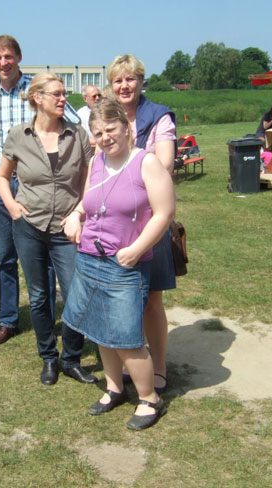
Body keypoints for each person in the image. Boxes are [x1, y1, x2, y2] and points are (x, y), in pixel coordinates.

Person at [63, 99, 175, 430]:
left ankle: (150, 399)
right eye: (98, 133)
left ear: (126, 128)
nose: (105, 137)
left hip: (125, 265)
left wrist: (137, 249)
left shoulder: (146, 162)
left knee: (126, 338)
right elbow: (88, 201)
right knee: (100, 329)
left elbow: (164, 213)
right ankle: (114, 388)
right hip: (89, 259)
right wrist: (75, 216)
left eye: (110, 129)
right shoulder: (96, 160)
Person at [0, 35, 79, 345]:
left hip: (36, 182)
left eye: (8, 56)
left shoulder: (38, 90)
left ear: (18, 57)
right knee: (4, 255)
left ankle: (49, 318)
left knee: (46, 253)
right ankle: (8, 320)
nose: (3, 63)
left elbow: (73, 121)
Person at [0, 73, 97, 386]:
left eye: (64, 93)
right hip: (29, 226)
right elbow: (1, 176)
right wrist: (12, 206)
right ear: (37, 98)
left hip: (67, 228)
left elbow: (90, 178)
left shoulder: (77, 134)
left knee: (75, 293)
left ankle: (71, 359)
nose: (63, 98)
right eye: (56, 94)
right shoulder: (18, 135)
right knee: (39, 295)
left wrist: (79, 211)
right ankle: (49, 358)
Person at [107, 54, 176, 394]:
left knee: (151, 301)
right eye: (118, 80)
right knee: (120, 298)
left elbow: (165, 164)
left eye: (130, 79)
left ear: (141, 81)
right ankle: (129, 363)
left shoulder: (159, 116)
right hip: (113, 222)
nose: (124, 86)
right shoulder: (106, 116)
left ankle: (159, 366)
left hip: (149, 220)